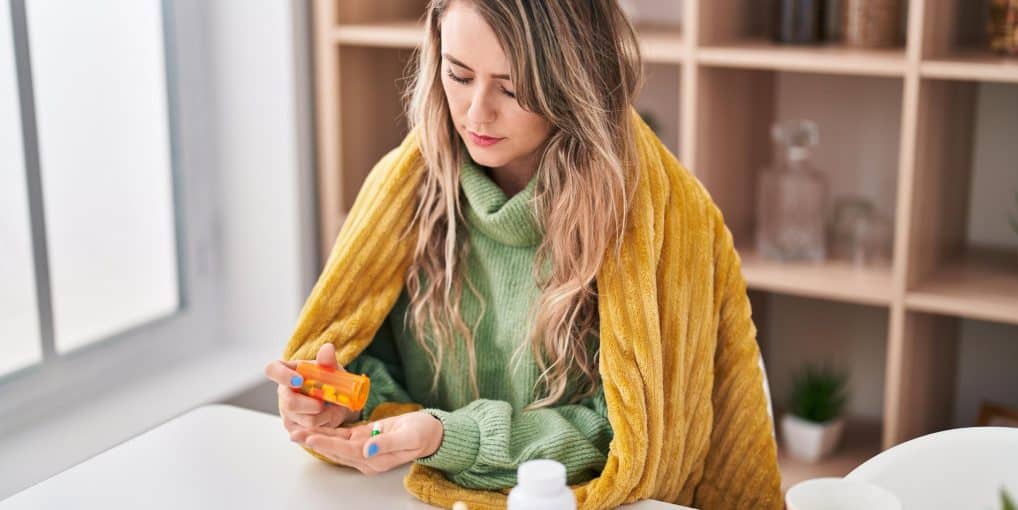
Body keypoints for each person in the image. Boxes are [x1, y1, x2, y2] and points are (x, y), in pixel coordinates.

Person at [264, 1, 783, 508]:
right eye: (459, 76)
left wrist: (451, 437)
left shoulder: (654, 217)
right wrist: (343, 398)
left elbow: (628, 441)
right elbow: (375, 365)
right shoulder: (406, 192)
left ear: (575, 82)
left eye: (513, 89)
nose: (476, 112)